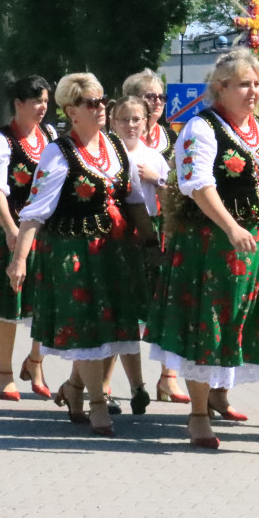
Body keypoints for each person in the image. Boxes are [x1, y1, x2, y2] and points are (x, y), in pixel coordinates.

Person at [144, 48, 259, 454]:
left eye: (257, 83)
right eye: (244, 84)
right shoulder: (201, 128)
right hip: (211, 245)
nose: (253, 91)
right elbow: (197, 184)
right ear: (220, 88)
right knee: (209, 323)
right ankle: (200, 416)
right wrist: (230, 226)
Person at [7, 73, 155, 437]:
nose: (101, 107)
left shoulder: (116, 147)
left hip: (115, 252)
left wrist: (152, 244)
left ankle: (74, 389)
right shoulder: (58, 152)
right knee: (88, 330)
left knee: (111, 328)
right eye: (92, 103)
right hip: (74, 254)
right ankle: (97, 403)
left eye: (103, 100)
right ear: (72, 111)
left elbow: (134, 200)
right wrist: (20, 259)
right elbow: (35, 211)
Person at [0, 76, 57, 402]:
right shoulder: (1, 140)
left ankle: (35, 361)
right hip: (9, 225)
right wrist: (10, 229)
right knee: (8, 301)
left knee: (46, 301)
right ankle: (4, 372)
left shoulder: (50, 135)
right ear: (18, 104)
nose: (42, 107)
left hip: (43, 227)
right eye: (36, 101)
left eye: (45, 101)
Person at [121, 69, 189, 403]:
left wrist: (158, 181)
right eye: (151, 96)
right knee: (127, 304)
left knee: (170, 301)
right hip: (128, 228)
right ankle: (117, 382)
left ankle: (168, 377)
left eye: (161, 96)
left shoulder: (173, 139)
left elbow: (184, 186)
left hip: (166, 225)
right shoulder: (122, 138)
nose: (158, 102)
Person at [101, 95, 171, 413]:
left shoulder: (153, 157)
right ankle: (102, 387)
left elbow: (176, 196)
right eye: (124, 119)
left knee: (144, 315)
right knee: (117, 313)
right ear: (112, 122)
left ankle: (158, 380)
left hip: (149, 237)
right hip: (113, 238)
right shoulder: (105, 155)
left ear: (146, 122)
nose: (131, 125)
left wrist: (157, 180)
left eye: (137, 119)